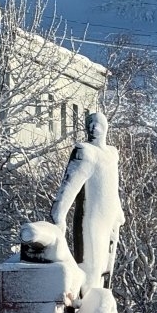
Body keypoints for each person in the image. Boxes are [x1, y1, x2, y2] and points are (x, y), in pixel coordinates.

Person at [50, 111, 124, 292]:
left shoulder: (112, 155)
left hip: (110, 221)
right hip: (91, 222)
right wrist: (59, 215)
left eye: (97, 123)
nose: (93, 127)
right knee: (90, 272)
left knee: (104, 274)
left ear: (106, 127)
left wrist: (118, 213)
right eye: (89, 123)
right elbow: (69, 186)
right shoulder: (85, 153)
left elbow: (111, 188)